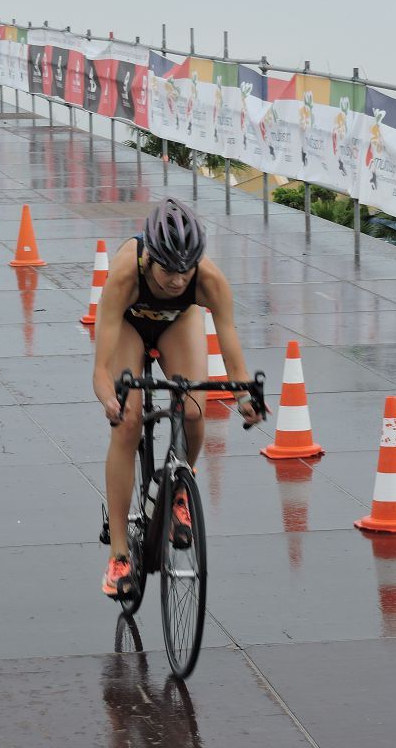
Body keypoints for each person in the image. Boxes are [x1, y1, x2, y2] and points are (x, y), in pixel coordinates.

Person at [92, 197, 263, 596]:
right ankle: (119, 556)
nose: (177, 280)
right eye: (169, 270)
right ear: (150, 257)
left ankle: (180, 487)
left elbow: (230, 346)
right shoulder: (123, 276)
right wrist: (109, 400)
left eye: (186, 270)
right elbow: (101, 370)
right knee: (128, 422)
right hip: (130, 325)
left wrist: (244, 398)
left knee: (193, 408)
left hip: (178, 323)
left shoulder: (209, 281)